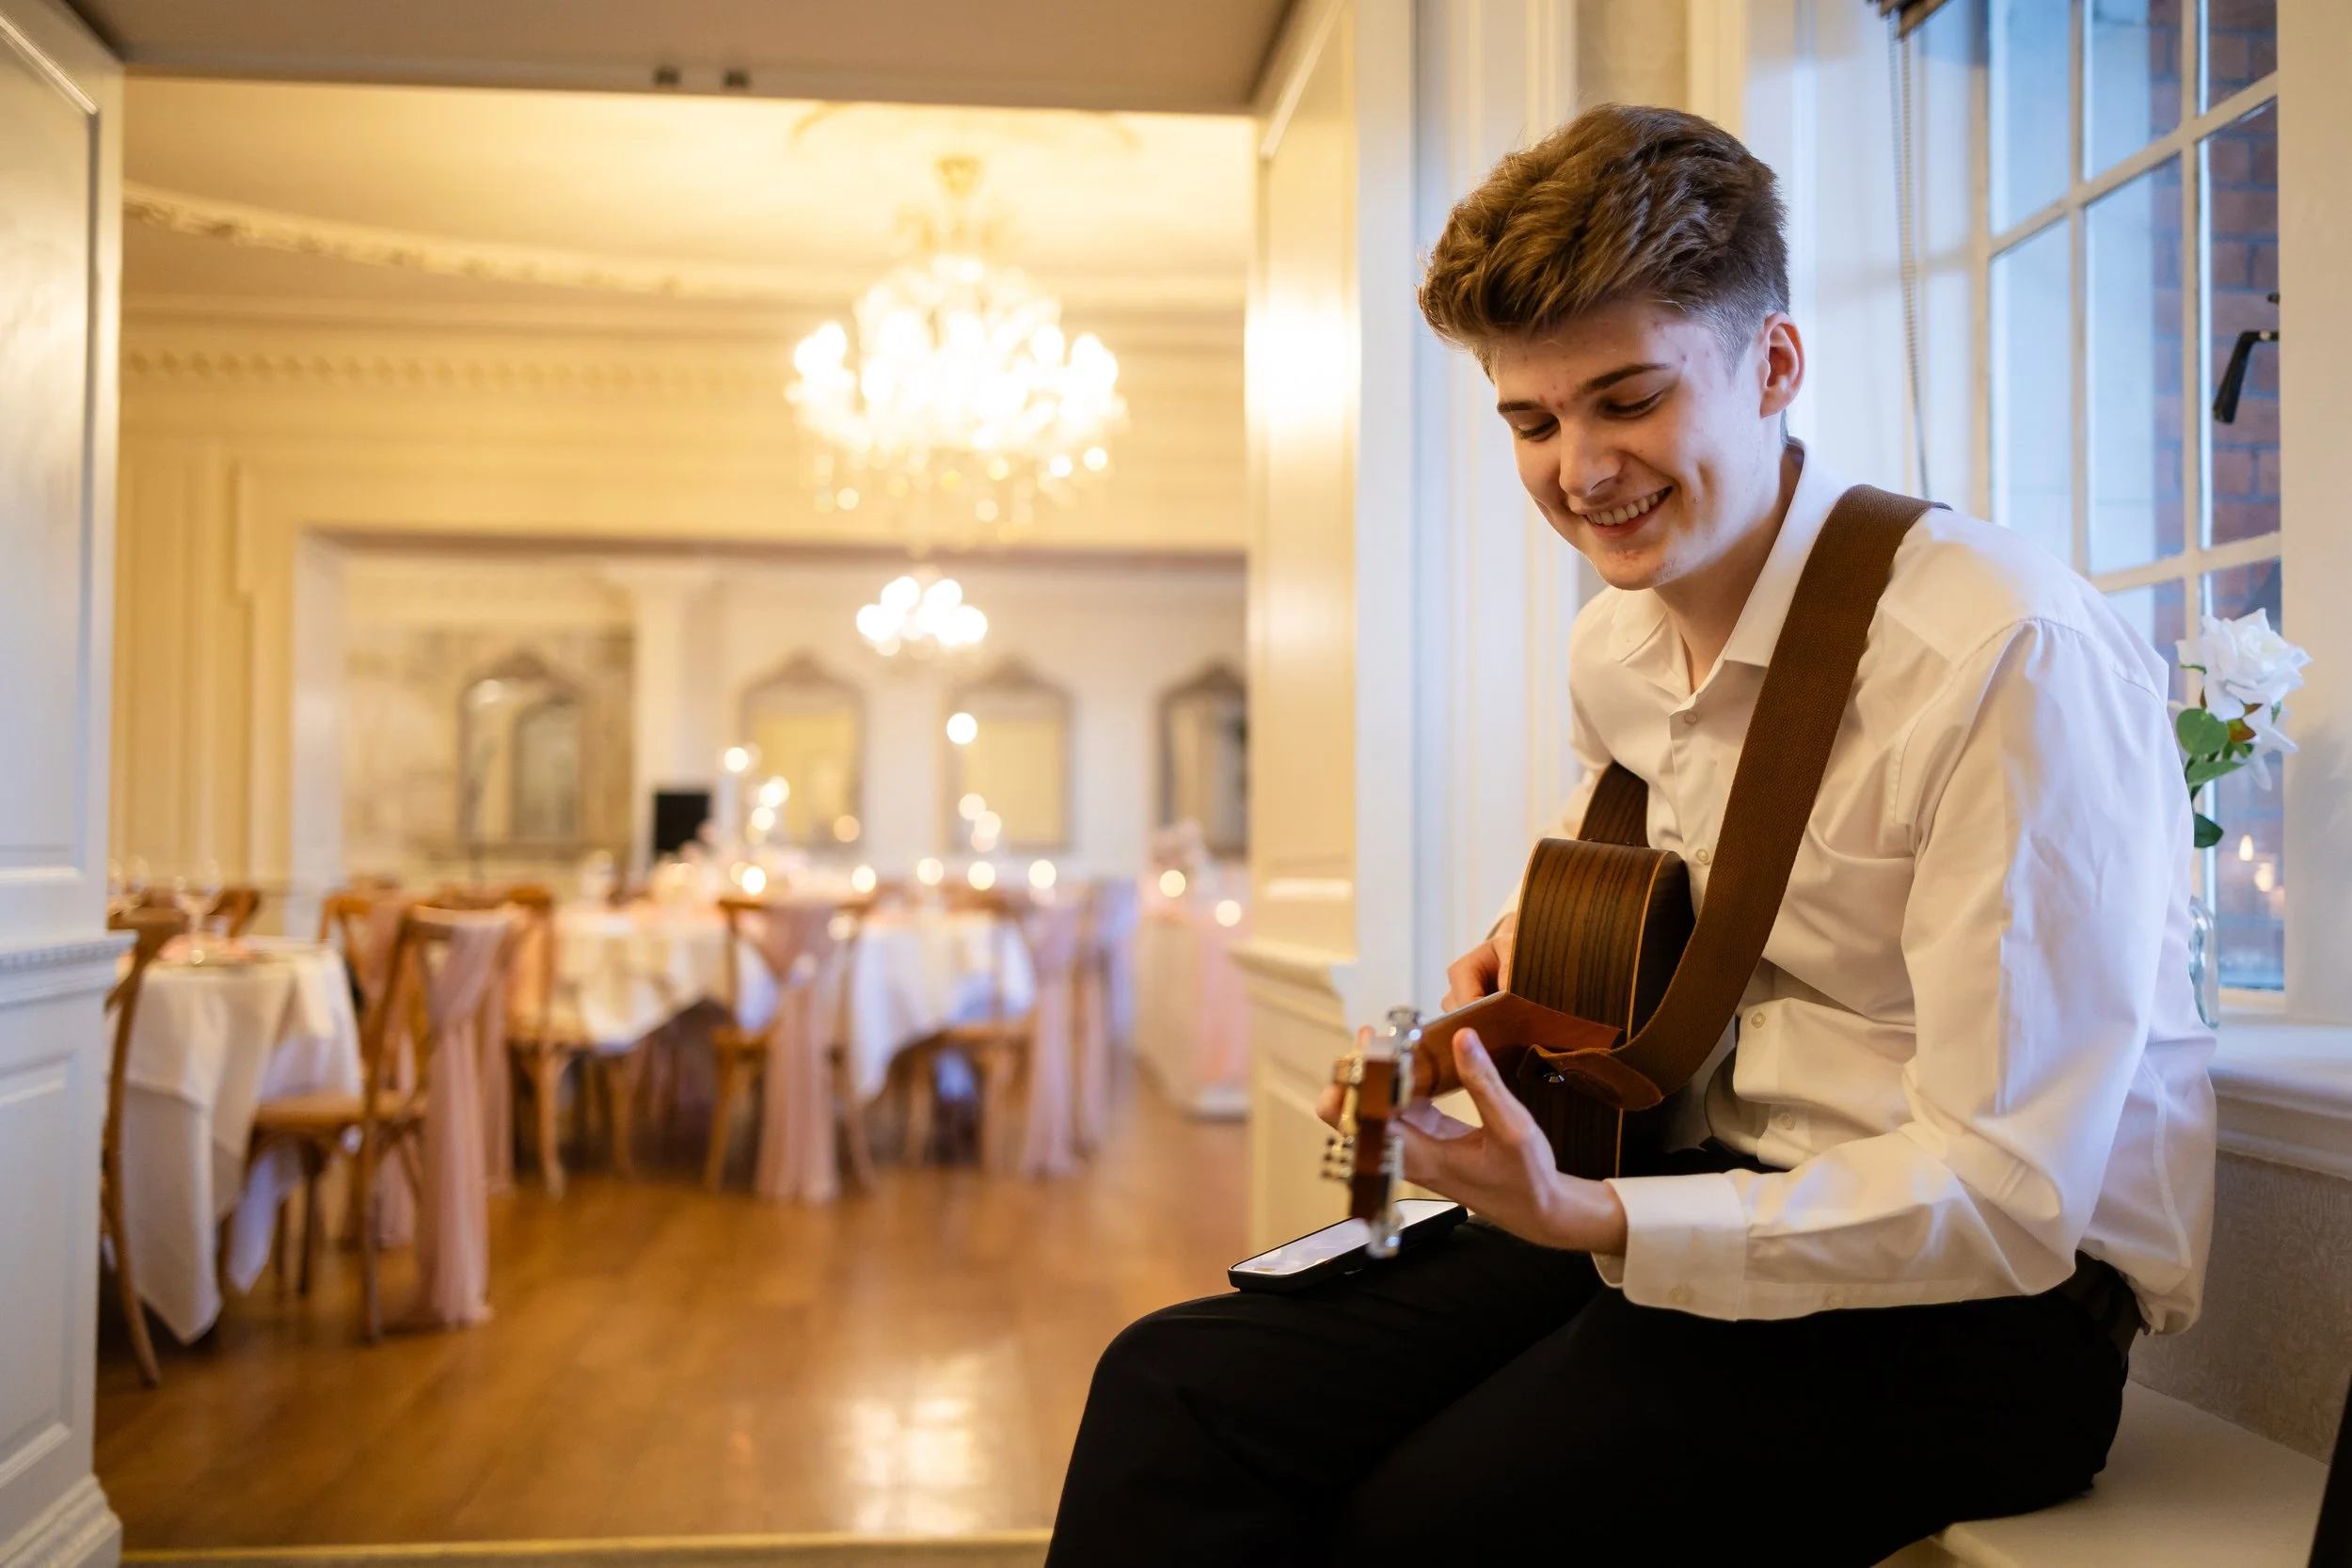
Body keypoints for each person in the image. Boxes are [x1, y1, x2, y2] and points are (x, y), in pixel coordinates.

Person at [1044, 104, 2216, 1567]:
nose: (1580, 469)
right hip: (1698, 1186)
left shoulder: (2002, 649)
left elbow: (2011, 1198)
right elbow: (1658, 929)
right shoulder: (1613, 651)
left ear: (1774, 364)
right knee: (1176, 1389)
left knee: (1418, 1525)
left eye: (1628, 399)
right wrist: (1518, 989)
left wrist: (1594, 1216)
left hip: (1985, 1317)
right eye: (1532, 421)